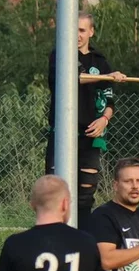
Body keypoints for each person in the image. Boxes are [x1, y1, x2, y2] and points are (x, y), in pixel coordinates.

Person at [46, 12, 127, 229]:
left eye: (81, 30)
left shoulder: (100, 62)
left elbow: (110, 101)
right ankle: (54, 237)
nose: (77, 35)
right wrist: (108, 76)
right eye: (73, 30)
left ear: (91, 32)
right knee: (55, 192)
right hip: (62, 133)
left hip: (90, 135)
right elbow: (71, 78)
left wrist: (104, 120)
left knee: (85, 196)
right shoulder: (59, 55)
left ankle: (80, 240)